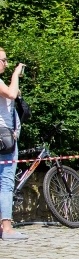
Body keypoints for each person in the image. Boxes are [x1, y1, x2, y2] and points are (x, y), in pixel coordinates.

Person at [0, 49, 26, 241]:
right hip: (4, 139)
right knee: (6, 183)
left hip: (7, 137)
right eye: (3, 60)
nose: (6, 64)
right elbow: (10, 93)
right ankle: (7, 227)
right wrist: (15, 75)